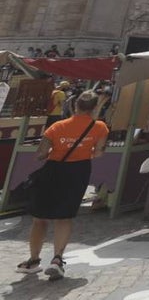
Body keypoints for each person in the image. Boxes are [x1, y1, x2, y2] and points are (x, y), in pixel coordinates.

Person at [16, 90, 109, 279]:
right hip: (79, 172)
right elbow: (98, 153)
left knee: (39, 217)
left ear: (75, 106)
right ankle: (58, 259)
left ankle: (33, 260)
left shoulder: (57, 126)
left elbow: (40, 154)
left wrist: (56, 148)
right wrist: (82, 152)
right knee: (64, 217)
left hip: (54, 170)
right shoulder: (100, 127)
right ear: (93, 108)